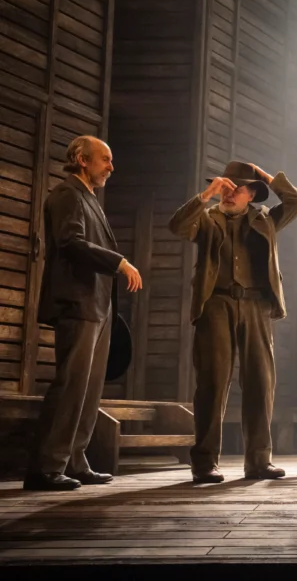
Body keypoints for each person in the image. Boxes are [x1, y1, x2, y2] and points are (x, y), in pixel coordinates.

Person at [169, 161, 297, 483]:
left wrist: (264, 176)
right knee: (212, 383)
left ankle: (258, 461)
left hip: (257, 305)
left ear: (252, 194)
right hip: (215, 303)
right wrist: (206, 194)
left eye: (238, 188)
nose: (230, 193)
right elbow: (177, 227)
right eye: (226, 187)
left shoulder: (266, 220)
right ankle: (204, 462)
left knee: (261, 382)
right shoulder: (206, 218)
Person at [24, 136, 142, 491]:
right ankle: (46, 466)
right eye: (104, 159)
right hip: (78, 303)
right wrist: (117, 261)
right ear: (80, 158)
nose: (110, 166)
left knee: (89, 390)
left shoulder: (88, 197)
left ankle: (75, 460)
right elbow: (70, 242)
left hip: (98, 304)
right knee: (72, 386)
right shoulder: (67, 195)